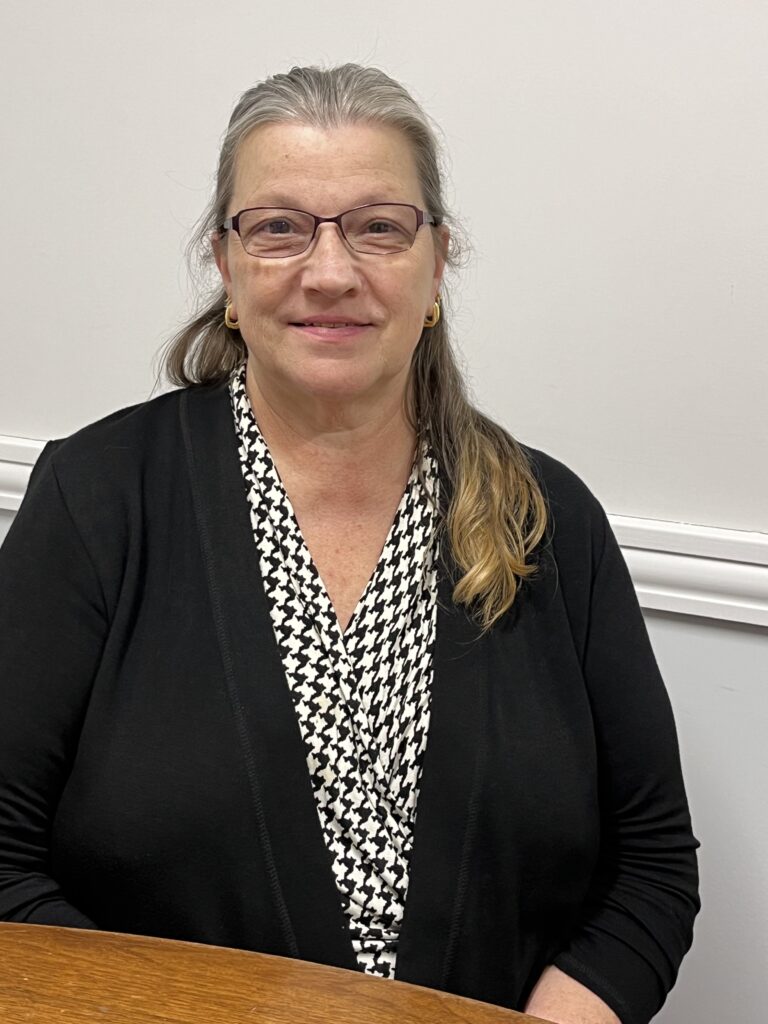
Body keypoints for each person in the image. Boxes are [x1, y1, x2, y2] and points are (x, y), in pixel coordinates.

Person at [0, 64, 698, 1024]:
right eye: (279, 227)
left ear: (437, 263)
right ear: (226, 264)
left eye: (378, 226)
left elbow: (652, 869)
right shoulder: (99, 497)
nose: (330, 272)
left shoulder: (549, 518)